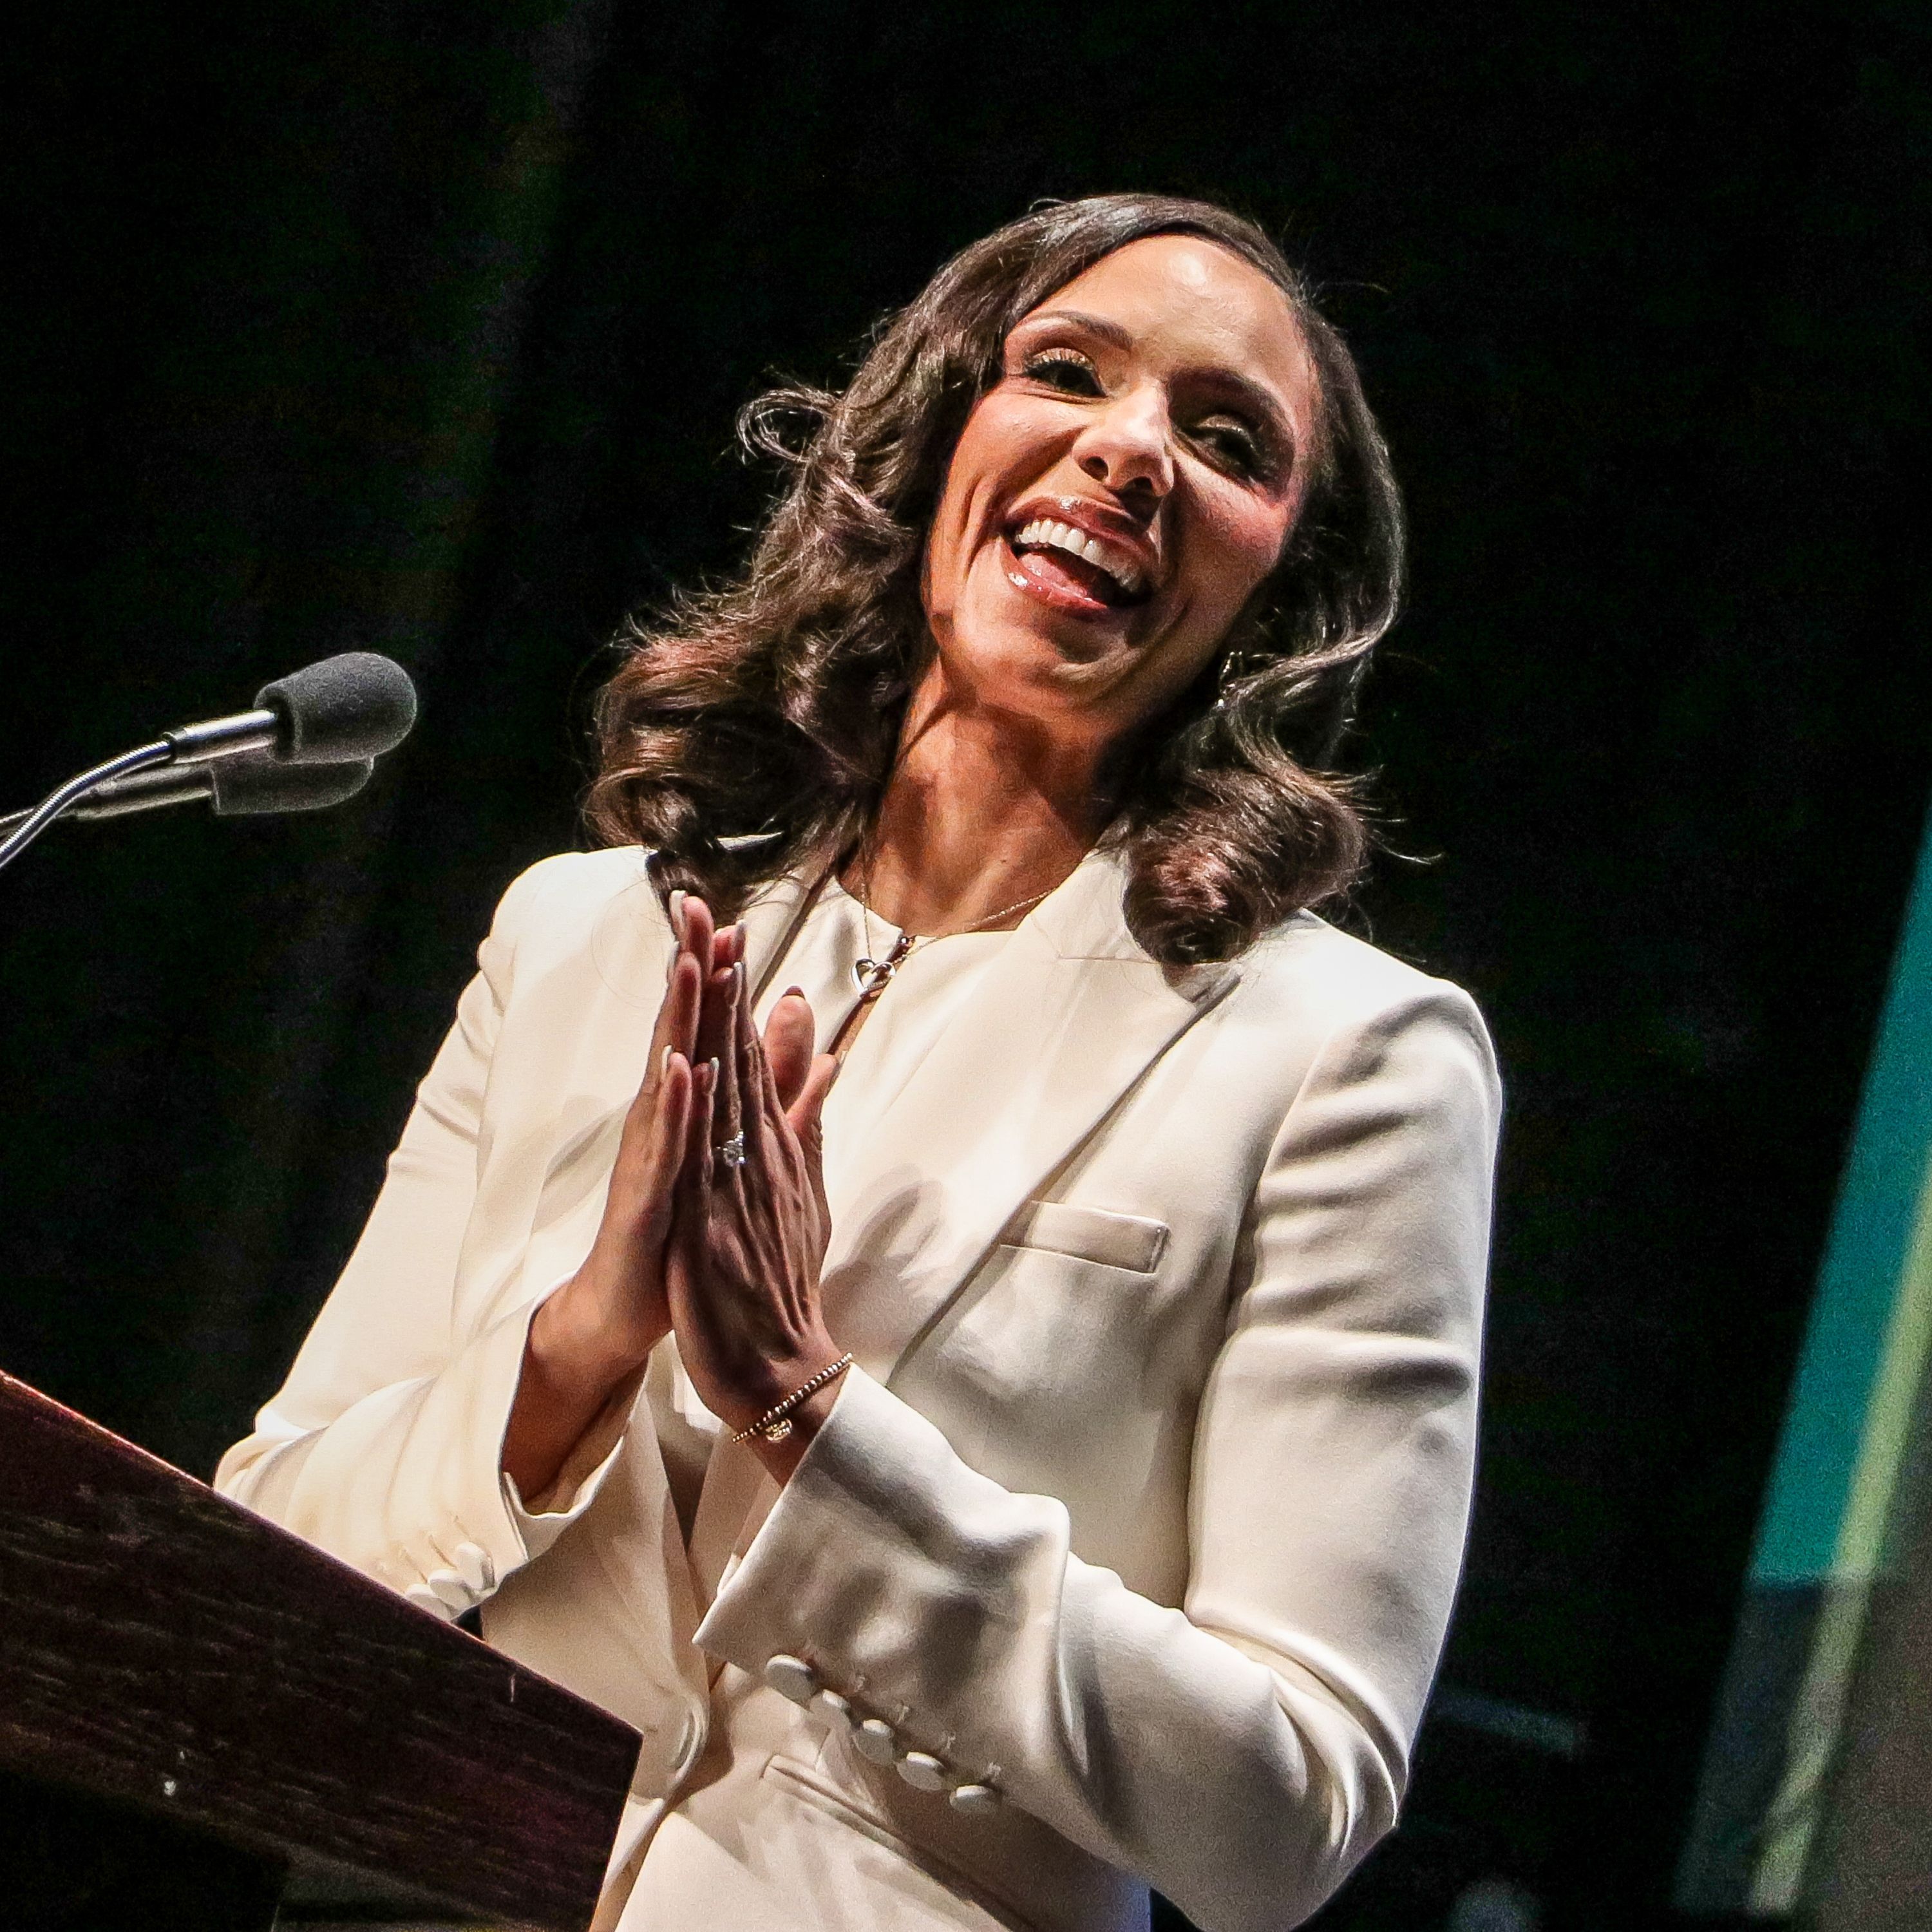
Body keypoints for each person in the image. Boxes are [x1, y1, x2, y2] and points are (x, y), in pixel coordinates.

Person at [217, 194, 1501, 1932]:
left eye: (1223, 440)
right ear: (939, 432)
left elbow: (1289, 1805)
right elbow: (273, 1544)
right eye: (1069, 372)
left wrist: (815, 1420)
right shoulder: (582, 937)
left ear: (1279, 596)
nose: (1129, 453)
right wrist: (583, 1349)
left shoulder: (1347, 1062)